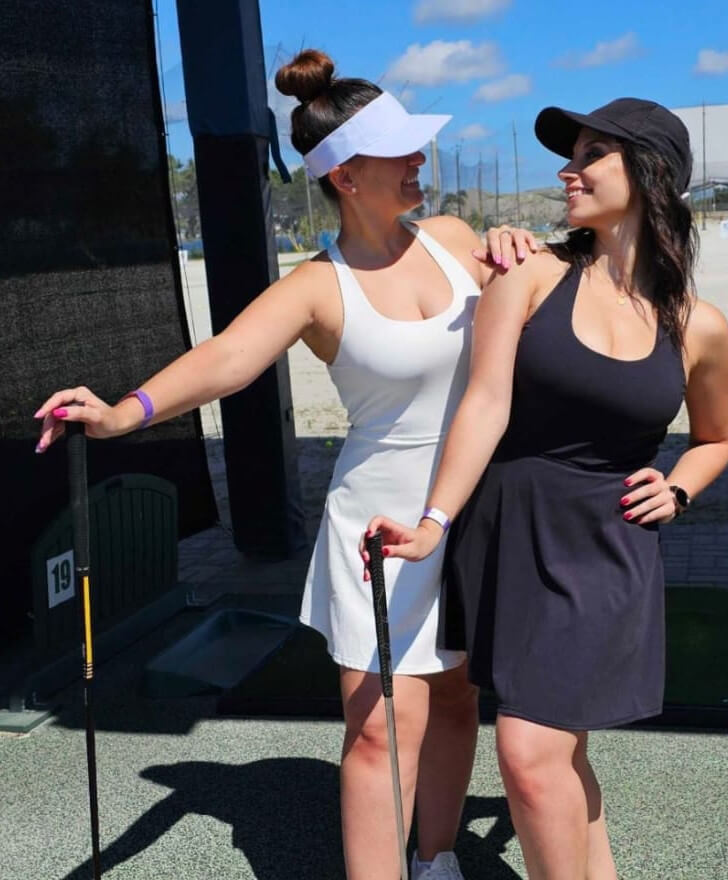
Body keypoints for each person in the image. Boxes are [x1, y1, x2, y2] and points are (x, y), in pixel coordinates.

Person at [34, 49, 536, 880]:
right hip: (378, 528)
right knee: (376, 731)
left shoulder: (455, 240)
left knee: (456, 696)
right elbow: (227, 358)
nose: (420, 159)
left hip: (471, 510)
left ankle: (437, 856)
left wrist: (523, 248)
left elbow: (539, 307)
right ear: (345, 175)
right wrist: (122, 413)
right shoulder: (316, 287)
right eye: (400, 150)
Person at [364, 97, 728, 879]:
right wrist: (434, 522)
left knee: (533, 754)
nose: (569, 170)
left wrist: (679, 490)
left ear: (651, 172)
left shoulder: (699, 326)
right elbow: (485, 404)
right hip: (510, 534)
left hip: (609, 548)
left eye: (593, 154)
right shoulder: (531, 274)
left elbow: (716, 439)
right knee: (555, 753)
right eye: (571, 155)